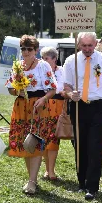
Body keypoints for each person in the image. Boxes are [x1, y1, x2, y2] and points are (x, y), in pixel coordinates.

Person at [63, 32, 102, 200]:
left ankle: (92, 187)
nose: (87, 49)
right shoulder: (71, 60)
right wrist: (71, 94)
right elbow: (65, 86)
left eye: (90, 45)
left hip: (98, 106)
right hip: (79, 107)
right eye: (84, 45)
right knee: (80, 144)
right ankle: (82, 181)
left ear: (96, 44)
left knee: (94, 146)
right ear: (79, 45)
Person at [6, 35, 57, 195]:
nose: (26, 52)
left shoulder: (43, 66)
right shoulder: (18, 66)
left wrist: (43, 99)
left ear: (36, 50)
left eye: (29, 49)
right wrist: (16, 90)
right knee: (25, 142)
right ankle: (31, 178)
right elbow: (10, 87)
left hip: (38, 106)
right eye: (23, 49)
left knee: (34, 140)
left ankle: (32, 181)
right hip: (21, 106)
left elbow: (53, 89)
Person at [41, 47, 66, 181]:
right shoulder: (41, 70)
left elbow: (62, 87)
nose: (44, 61)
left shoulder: (62, 71)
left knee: (54, 139)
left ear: (54, 59)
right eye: (42, 58)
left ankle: (51, 170)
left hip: (58, 107)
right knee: (44, 138)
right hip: (44, 105)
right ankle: (47, 169)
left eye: (46, 58)